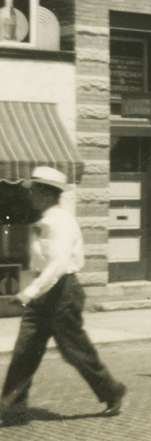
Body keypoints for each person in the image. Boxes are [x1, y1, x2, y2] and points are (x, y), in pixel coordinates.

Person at [1, 167, 126, 423]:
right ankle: (11, 408)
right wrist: (33, 290)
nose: (31, 195)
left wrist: (28, 293)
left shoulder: (60, 221)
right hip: (45, 291)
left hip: (62, 292)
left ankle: (111, 390)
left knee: (75, 351)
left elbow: (57, 264)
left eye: (35, 190)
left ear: (47, 193)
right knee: (25, 350)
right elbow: (40, 262)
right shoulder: (44, 218)